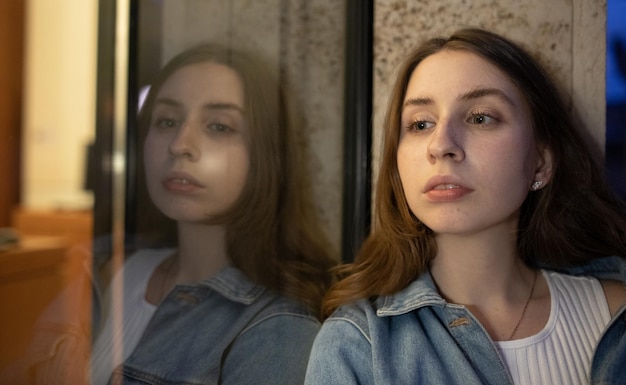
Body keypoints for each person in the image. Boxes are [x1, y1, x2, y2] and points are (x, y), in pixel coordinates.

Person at [304, 28, 626, 385]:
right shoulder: (356, 345)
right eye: (420, 124)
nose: (440, 145)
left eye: (480, 117)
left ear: (540, 162)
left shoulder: (615, 318)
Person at [90, 44, 336, 385]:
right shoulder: (97, 266)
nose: (180, 144)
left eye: (219, 126)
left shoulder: (278, 327)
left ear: (266, 153)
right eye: (166, 120)